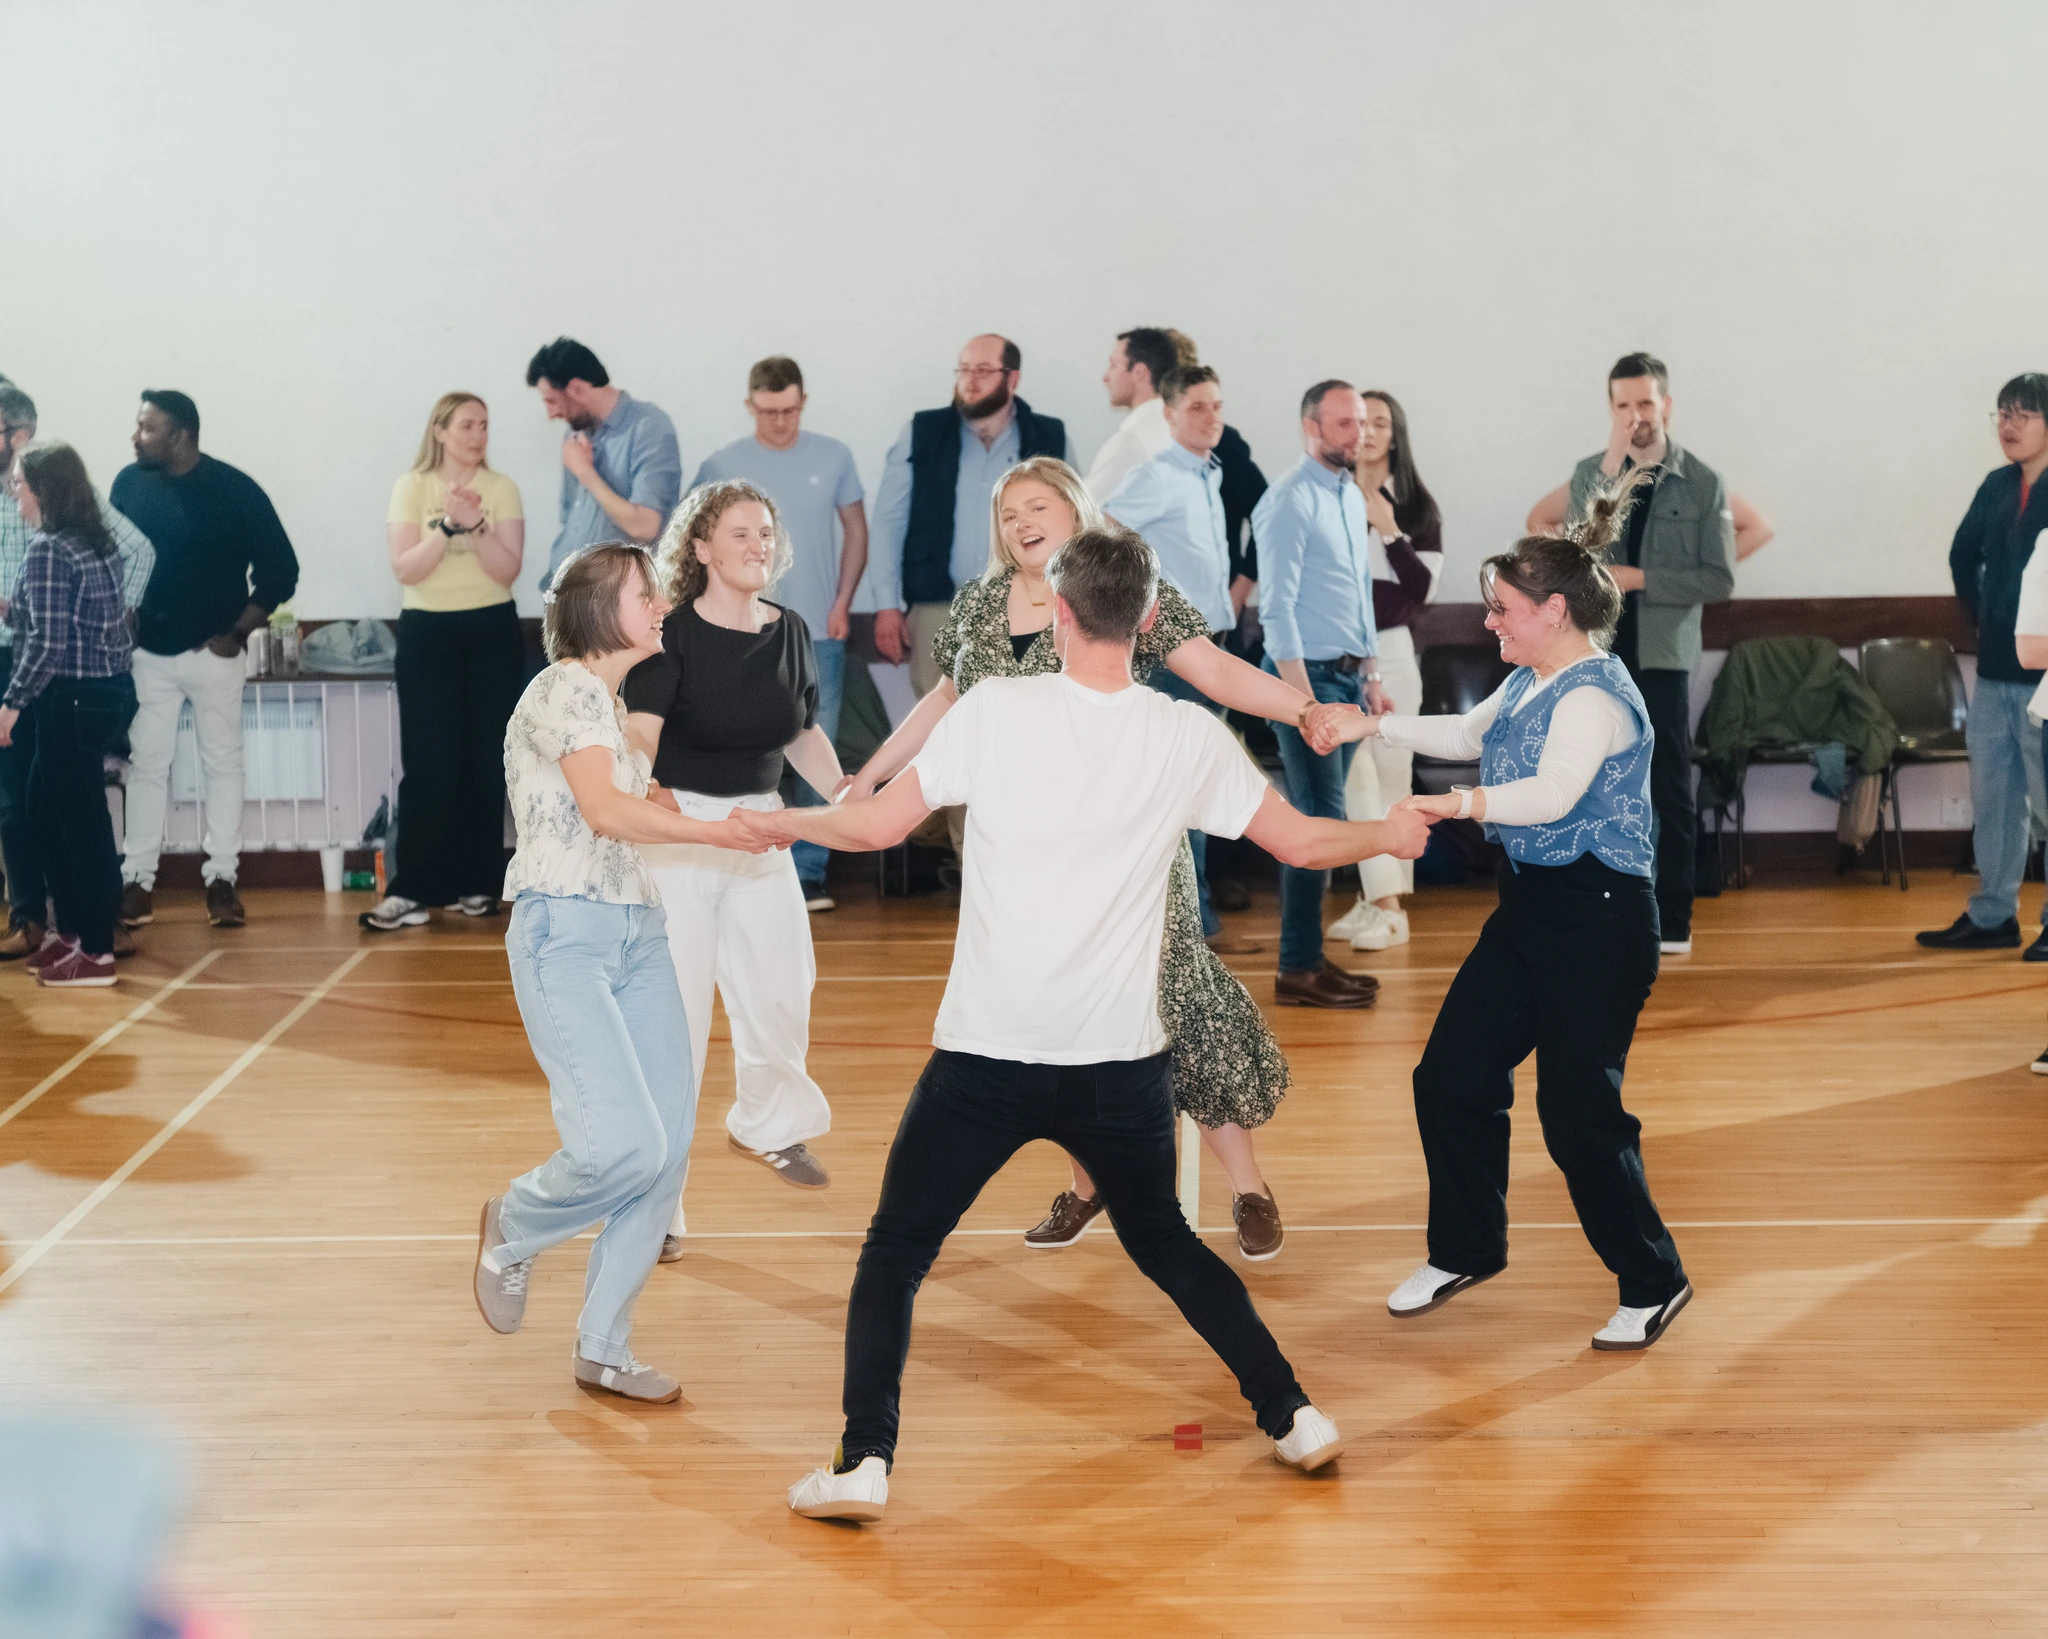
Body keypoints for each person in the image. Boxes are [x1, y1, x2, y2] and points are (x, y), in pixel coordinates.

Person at [752, 525, 1432, 1523]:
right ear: (1150, 619)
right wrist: (1384, 830)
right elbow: (1295, 838)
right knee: (1165, 1245)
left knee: (895, 1252)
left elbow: (871, 825)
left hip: (984, 1059)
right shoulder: (1183, 733)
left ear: (1058, 613)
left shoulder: (995, 708)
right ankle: (1292, 1414)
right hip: (1119, 1068)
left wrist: (779, 822)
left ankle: (863, 1462)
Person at [848, 457, 1360, 1260]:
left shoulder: (1119, 590)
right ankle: (1094, 1185)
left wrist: (1305, 707)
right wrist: (872, 774)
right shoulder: (982, 608)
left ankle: (1247, 1185)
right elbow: (942, 705)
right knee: (1059, 1025)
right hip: (1027, 871)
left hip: (1130, 859)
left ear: (1076, 509)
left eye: (1039, 503)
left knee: (1181, 1005)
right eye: (1008, 509)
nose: (1021, 518)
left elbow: (1216, 670)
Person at [1330, 472, 1693, 1352]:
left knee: (1578, 1115)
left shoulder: (1596, 695)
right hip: (1531, 910)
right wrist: (1368, 727)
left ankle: (1655, 1279)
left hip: (1601, 920)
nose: (1489, 621)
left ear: (1555, 610)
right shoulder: (1531, 680)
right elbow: (1465, 737)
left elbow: (1555, 791)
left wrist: (1452, 809)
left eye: (1501, 608)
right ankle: (1464, 1249)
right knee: (1450, 1076)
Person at [471, 541, 772, 1404]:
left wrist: (716, 809)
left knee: (666, 1151)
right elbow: (605, 813)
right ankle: (514, 1224)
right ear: (604, 607)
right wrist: (717, 832)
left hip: (638, 933)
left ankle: (604, 1343)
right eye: (647, 590)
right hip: (563, 936)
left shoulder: (609, 702)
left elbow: (637, 801)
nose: (663, 600)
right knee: (626, 1144)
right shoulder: (564, 686)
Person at [622, 481, 842, 1237]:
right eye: (740, 533)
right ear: (702, 548)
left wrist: (843, 790)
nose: (758, 545)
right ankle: (659, 1204)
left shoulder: (792, 631)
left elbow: (800, 731)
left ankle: (766, 1121)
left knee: (784, 985)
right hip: (682, 831)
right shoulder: (672, 633)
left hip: (762, 828)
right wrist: (648, 786)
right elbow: (641, 728)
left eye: (766, 533)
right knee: (677, 1015)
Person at [1524, 354, 1745, 956]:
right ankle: (1597, 911)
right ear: (1612, 411)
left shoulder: (1702, 481)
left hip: (1664, 652)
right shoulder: (1589, 474)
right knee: (1589, 777)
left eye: (1645, 404)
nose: (1635, 416)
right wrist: (1608, 471)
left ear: (1665, 405)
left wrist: (1641, 577)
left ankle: (1671, 917)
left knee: (1668, 783)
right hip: (1596, 652)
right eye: (1623, 406)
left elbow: (1719, 578)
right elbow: (1573, 555)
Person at [112, 390, 299, 931]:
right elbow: (110, 557)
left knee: (223, 764)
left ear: (180, 435)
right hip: (147, 655)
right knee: (146, 765)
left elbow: (280, 570)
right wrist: (122, 613)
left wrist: (237, 634)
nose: (136, 435)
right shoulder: (127, 484)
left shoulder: (235, 490)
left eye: (147, 427)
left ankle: (222, 880)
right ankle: (138, 882)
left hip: (213, 653)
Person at [691, 357, 867, 910]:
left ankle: (810, 872)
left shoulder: (834, 455)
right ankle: (742, 858)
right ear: (750, 407)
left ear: (803, 402)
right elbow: (694, 543)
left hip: (816, 626)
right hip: (738, 637)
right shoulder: (722, 464)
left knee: (815, 739)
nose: (779, 421)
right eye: (768, 411)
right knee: (752, 747)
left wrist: (844, 602)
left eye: (789, 410)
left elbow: (856, 529)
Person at [1254, 380, 1397, 1006]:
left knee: (1325, 822)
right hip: (1302, 680)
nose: (1358, 435)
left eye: (1363, 423)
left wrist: (1370, 674)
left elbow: (1356, 595)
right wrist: (1304, 704)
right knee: (1317, 826)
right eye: (1344, 424)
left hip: (1343, 678)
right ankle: (1296, 967)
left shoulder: (1349, 494)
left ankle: (1308, 959)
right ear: (1311, 428)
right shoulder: (1288, 500)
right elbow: (1277, 611)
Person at [360, 393, 525, 933]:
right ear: (439, 430)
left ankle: (479, 883)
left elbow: (506, 571)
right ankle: (413, 890)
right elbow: (406, 569)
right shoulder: (411, 487)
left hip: (492, 631)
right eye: (466, 425)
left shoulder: (501, 489)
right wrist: (448, 527)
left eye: (484, 424)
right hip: (429, 633)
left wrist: (477, 524)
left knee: (484, 761)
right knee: (431, 764)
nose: (477, 435)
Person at [1104, 363, 1254, 951]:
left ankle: (1192, 924)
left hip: (1207, 648)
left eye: (1217, 405)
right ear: (1167, 415)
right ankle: (1192, 929)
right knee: (1181, 791)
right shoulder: (1160, 474)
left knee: (1197, 787)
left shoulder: (1205, 473)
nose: (1211, 417)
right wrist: (1146, 607)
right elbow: (1102, 528)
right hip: (1173, 654)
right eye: (1197, 407)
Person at [0, 385, 152, 961]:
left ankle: (95, 951)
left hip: (69, 700)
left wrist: (12, 703)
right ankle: (73, 939)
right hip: (100, 696)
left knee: (78, 827)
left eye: (19, 484)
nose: (14, 491)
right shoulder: (90, 543)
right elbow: (68, 617)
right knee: (48, 816)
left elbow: (47, 644)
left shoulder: (46, 549)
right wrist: (13, 608)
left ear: (41, 489)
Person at [1919, 373, 2048, 959]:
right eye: (2001, 414)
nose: (2009, 425)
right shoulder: (1997, 486)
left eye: (2023, 414)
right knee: (1994, 798)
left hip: (2044, 677)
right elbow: (1960, 553)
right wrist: (1988, 614)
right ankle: (1994, 914)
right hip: (1996, 670)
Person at [866, 334, 1072, 694]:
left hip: (1027, 605)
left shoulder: (1049, 436)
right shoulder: (922, 433)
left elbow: (1073, 524)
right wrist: (886, 605)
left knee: (1018, 716)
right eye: (963, 370)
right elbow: (888, 522)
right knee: (938, 721)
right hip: (937, 609)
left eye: (983, 370)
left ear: (1012, 379)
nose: (970, 380)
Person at [1327, 389, 1443, 953]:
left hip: (1394, 655)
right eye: (1357, 422)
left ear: (1395, 433)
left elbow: (1420, 594)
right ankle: (1380, 902)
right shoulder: (1328, 494)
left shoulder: (1418, 508)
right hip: (1339, 656)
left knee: (1392, 783)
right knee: (1357, 779)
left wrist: (1389, 530)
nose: (1367, 432)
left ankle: (1387, 907)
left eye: (1379, 422)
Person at [525, 338, 682, 587]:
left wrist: (586, 473)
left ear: (577, 389)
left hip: (616, 599)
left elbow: (646, 526)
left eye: (551, 401)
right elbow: (569, 518)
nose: (551, 414)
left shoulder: (649, 427)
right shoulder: (575, 433)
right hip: (565, 593)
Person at [1082, 327, 1179, 504]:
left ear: (1139, 372)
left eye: (1114, 365)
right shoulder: (1177, 430)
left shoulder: (1132, 440)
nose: (1106, 377)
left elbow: (1084, 509)